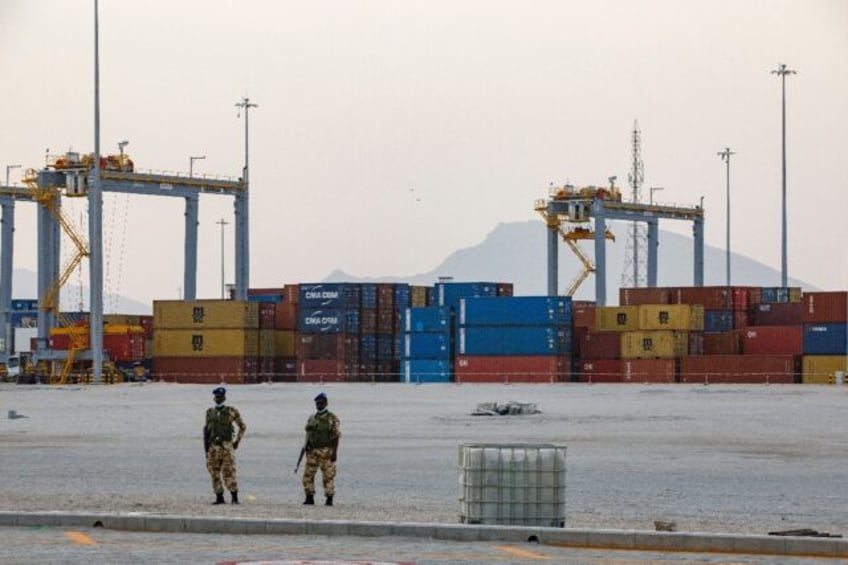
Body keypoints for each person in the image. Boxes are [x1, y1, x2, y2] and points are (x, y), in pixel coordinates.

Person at [203, 386, 246, 504]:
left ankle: (234, 496)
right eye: (217, 397)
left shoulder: (231, 411)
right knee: (214, 472)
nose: (218, 399)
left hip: (226, 446)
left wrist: (237, 441)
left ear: (224, 398)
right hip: (213, 447)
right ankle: (219, 497)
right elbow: (207, 430)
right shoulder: (209, 412)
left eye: (220, 397)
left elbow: (242, 426)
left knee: (229, 471)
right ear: (214, 398)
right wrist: (206, 448)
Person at [301, 391, 341, 506]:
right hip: (312, 451)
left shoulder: (331, 418)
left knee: (328, 476)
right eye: (317, 403)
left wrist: (334, 453)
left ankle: (329, 498)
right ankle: (309, 497)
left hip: (326, 451)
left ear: (326, 403)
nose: (319, 405)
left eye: (321, 403)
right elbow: (308, 433)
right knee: (308, 475)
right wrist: (306, 448)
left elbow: (336, 436)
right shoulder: (312, 418)